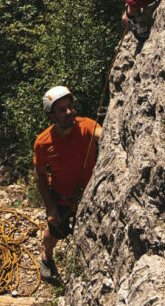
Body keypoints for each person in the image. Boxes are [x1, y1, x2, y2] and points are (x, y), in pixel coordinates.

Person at [34, 85, 102, 281]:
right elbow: (40, 175)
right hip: (62, 198)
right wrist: (50, 207)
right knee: (54, 232)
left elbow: (102, 134)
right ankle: (47, 258)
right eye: (62, 110)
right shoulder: (43, 143)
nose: (69, 112)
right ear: (51, 116)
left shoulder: (86, 126)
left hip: (89, 197)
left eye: (70, 107)